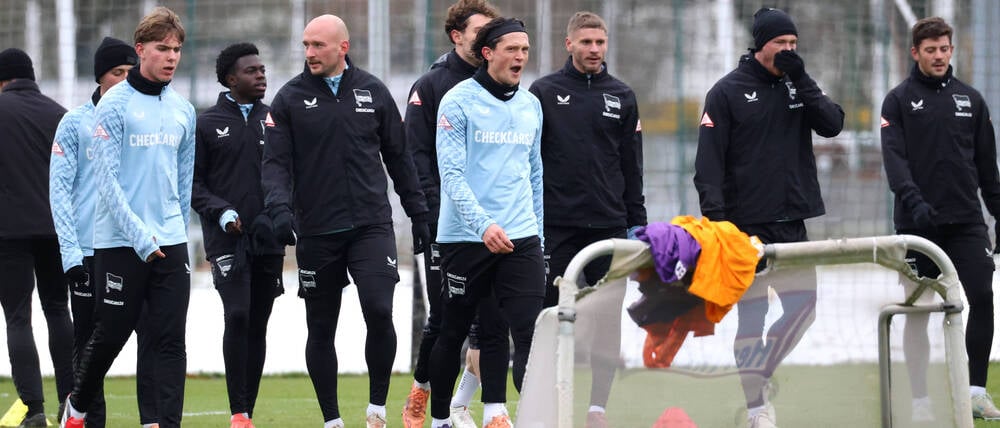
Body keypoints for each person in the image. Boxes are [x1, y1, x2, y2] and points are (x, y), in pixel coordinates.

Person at [261, 14, 429, 428]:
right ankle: (332, 420)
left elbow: (399, 158)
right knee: (321, 326)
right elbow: (275, 165)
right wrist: (280, 210)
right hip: (317, 230)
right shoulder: (289, 99)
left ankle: (376, 409)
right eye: (306, 45)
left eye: (318, 45)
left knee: (378, 307)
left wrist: (419, 213)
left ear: (343, 47)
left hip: (371, 225)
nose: (309, 53)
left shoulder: (373, 91)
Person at [693, 7, 843, 428]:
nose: (789, 51)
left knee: (804, 308)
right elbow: (708, 166)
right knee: (752, 318)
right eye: (782, 44)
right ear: (761, 46)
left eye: (794, 44)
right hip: (745, 229)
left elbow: (832, 124)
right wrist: (719, 225)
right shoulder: (727, 92)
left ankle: (757, 373)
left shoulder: (800, 86)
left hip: (793, 223)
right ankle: (757, 407)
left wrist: (802, 77)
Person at [60, 7, 196, 428]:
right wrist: (140, 237)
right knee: (111, 335)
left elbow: (183, 181)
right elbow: (106, 183)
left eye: (176, 49)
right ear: (141, 50)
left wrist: (177, 233)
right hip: (120, 243)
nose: (171, 57)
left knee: (170, 340)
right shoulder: (114, 106)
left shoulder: (183, 110)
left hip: (170, 243)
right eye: (162, 48)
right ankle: (77, 408)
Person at [527, 11, 645, 428]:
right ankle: (541, 404)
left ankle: (597, 410)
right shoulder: (543, 92)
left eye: (600, 42)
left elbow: (632, 167)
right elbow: (529, 161)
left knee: (606, 322)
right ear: (569, 44)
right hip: (556, 229)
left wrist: (637, 224)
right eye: (587, 42)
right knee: (546, 318)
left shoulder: (623, 96)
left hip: (610, 229)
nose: (595, 49)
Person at [881, 16, 1000, 421]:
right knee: (918, 311)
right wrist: (914, 202)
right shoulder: (897, 101)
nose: (938, 56)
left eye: (944, 49)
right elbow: (894, 162)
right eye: (930, 50)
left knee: (982, 298)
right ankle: (920, 402)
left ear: (952, 50)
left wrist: (998, 215)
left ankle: (975, 391)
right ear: (916, 53)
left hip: (966, 222)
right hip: (918, 226)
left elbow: (988, 168)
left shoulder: (972, 99)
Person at [428, 17, 544, 428]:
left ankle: (509, 413)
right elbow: (452, 176)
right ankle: (441, 416)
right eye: (512, 49)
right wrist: (482, 225)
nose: (520, 57)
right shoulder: (457, 102)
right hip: (466, 236)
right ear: (488, 52)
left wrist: (538, 238)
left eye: (525, 50)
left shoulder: (531, 105)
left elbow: (534, 175)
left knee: (529, 329)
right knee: (454, 329)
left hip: (520, 237)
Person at [50, 36, 164, 428]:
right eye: (118, 73)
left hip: (137, 247)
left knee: (151, 337)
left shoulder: (145, 117)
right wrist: (69, 255)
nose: (126, 79)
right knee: (90, 349)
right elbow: (60, 193)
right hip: (87, 252)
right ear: (101, 77)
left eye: (131, 72)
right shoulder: (74, 123)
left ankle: (152, 420)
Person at [401, 1, 500, 427]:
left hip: (494, 223)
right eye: (480, 32)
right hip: (446, 223)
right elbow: (416, 156)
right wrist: (429, 213)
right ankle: (423, 389)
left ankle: (466, 405)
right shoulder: (432, 85)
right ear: (457, 36)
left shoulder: (501, 85)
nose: (488, 40)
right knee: (445, 318)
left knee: (493, 317)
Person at [192, 42, 284, 428]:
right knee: (238, 314)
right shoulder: (207, 123)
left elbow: (289, 176)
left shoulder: (278, 120)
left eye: (262, 69)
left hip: (269, 238)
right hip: (226, 239)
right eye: (251, 70)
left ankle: (248, 412)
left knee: (258, 321)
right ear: (231, 79)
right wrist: (223, 211)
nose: (260, 75)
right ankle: (237, 411)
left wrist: (277, 214)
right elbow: (193, 186)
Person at [0, 47, 74, 428]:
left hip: (8, 231)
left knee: (17, 317)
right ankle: (69, 402)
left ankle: (34, 408)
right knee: (58, 310)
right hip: (55, 229)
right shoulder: (58, 114)